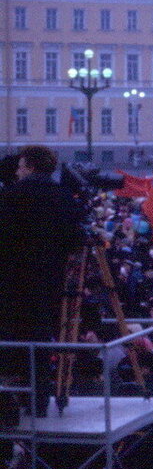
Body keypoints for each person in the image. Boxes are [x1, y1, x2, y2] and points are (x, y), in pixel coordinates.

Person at [0, 146, 86, 418]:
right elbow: (76, 242)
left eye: (21, 166)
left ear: (31, 167)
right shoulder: (64, 197)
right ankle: (39, 402)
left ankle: (11, 402)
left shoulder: (11, 195)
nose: (17, 170)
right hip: (50, 282)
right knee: (39, 339)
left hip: (11, 283)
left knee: (11, 340)